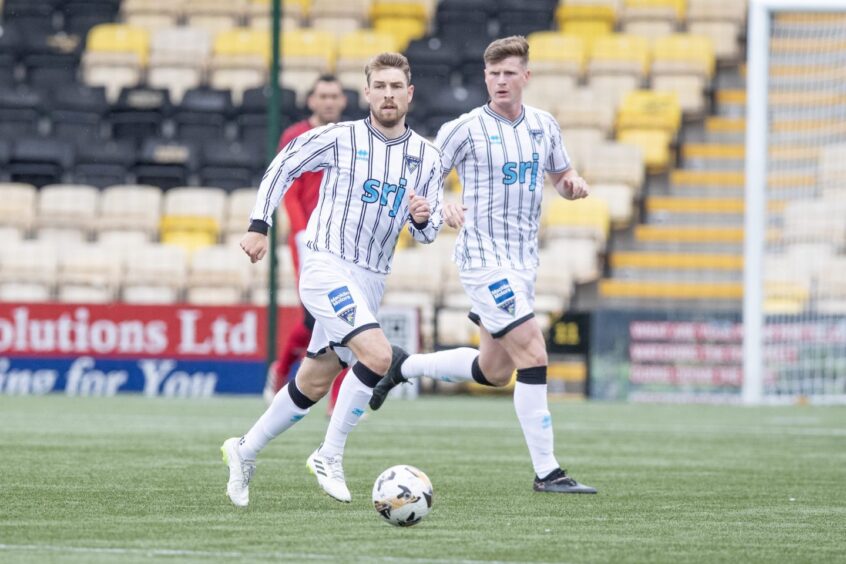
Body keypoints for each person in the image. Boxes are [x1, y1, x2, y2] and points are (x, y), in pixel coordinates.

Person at [367, 36, 597, 494]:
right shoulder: (465, 128)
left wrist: (571, 184)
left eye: (509, 73)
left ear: (526, 77)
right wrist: (443, 203)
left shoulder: (544, 126)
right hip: (483, 260)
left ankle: (402, 367)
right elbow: (421, 181)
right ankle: (548, 472)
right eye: (493, 74)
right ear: (484, 78)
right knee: (534, 352)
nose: (500, 81)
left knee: (495, 371)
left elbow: (560, 175)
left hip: (523, 261)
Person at [222, 52, 444, 508]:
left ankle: (243, 450)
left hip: (371, 278)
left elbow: (427, 230)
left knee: (315, 379)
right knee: (379, 356)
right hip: (325, 265)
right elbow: (282, 166)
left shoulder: (427, 156)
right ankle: (330, 454)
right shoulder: (339, 138)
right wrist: (258, 225)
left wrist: (423, 219)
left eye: (395, 86)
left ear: (409, 93)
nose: (387, 94)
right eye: (379, 86)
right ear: (366, 93)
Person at [264, 75, 351, 418]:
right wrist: (302, 233)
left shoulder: (349, 136)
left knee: (344, 317)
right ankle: (284, 369)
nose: (329, 102)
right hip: (308, 239)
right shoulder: (295, 136)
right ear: (312, 101)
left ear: (343, 101)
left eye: (334, 96)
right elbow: (288, 186)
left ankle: (335, 399)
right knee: (314, 315)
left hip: (342, 238)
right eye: (323, 96)